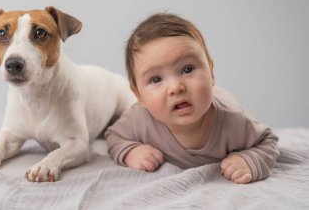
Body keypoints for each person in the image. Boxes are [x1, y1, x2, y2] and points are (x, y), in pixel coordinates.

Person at [105, 13, 279, 184]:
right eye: (156, 79)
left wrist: (250, 160)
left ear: (211, 72)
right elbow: (114, 136)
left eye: (187, 69)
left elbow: (267, 141)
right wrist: (131, 151)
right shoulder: (139, 119)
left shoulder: (234, 120)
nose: (176, 88)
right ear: (138, 95)